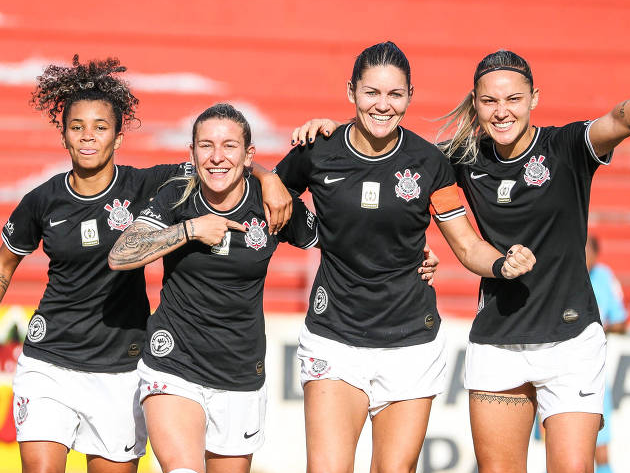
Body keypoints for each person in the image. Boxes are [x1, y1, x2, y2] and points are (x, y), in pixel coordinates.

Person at [297, 49, 630, 473]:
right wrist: (325, 131)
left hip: (570, 344)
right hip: (497, 343)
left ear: (534, 99)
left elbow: (619, 120)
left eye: (513, 99)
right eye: (489, 101)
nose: (502, 111)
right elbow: (394, 180)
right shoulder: (460, 160)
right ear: (475, 103)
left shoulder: (565, 147)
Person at [255, 42, 535, 473]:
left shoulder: (429, 162)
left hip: (411, 343)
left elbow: (464, 244)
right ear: (351, 92)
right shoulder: (318, 148)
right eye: (371, 93)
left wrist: (501, 264)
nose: (383, 105)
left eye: (395, 95)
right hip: (335, 336)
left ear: (410, 96)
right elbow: (267, 187)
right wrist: (268, 177)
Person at [0, 56, 289, 473]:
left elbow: (221, 165)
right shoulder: (41, 201)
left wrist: (267, 176)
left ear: (118, 138)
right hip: (50, 360)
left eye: (100, 128)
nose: (87, 137)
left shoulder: (150, 184)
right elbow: (6, 265)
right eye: (76, 127)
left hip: (121, 365)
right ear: (63, 135)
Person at [107, 103, 319, 473]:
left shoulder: (270, 202)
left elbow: (342, 243)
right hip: (172, 362)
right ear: (191, 153)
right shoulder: (176, 194)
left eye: (229, 146)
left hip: (238, 372)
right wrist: (189, 230)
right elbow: (121, 255)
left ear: (249, 155)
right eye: (205, 146)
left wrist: (414, 255)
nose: (217, 157)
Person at [586, 234, 626, 473]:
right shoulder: (563, 274)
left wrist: (602, 328)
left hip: (594, 374)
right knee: (559, 447)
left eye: (587, 250)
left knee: (600, 448)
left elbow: (621, 321)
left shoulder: (603, 278)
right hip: (556, 370)